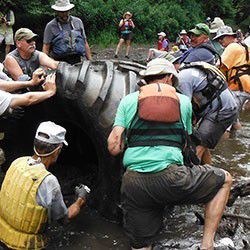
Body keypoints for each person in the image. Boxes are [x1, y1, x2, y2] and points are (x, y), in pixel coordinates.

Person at [107, 58, 232, 250]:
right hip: (171, 179)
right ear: (168, 78)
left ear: (146, 79)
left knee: (141, 246)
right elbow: (188, 146)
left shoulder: (128, 100)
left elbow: (113, 147)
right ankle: (207, 244)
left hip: (133, 183)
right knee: (225, 180)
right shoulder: (183, 102)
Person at [0, 121, 91, 249]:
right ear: (57, 150)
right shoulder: (48, 181)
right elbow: (64, 219)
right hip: (24, 245)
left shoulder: (17, 162)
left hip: (2, 235)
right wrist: (80, 200)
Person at [177, 61, 238, 164]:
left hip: (223, 110)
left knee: (198, 145)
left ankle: (192, 174)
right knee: (202, 142)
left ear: (169, 77)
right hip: (220, 106)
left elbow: (185, 108)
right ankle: (210, 171)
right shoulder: (186, 73)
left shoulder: (182, 79)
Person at [213, 25, 250, 132]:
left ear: (230, 36)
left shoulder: (232, 47)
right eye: (218, 39)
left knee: (224, 126)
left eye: (222, 38)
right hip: (246, 88)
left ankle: (224, 147)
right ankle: (238, 142)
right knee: (234, 120)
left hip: (236, 88)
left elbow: (219, 67)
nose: (220, 41)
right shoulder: (245, 47)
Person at [43, 0, 92, 64]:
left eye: (66, 11)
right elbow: (46, 48)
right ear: (57, 11)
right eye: (62, 12)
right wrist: (45, 65)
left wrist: (90, 61)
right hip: (59, 61)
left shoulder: (78, 22)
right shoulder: (50, 26)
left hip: (76, 60)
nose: (64, 14)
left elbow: (85, 42)